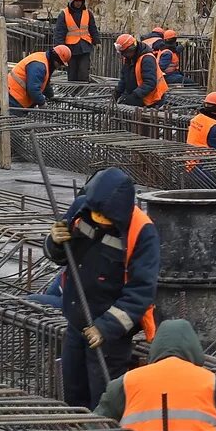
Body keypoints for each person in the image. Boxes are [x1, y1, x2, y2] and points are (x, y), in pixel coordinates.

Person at [45, 167, 160, 409]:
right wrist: (54, 241)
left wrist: (105, 328)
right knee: (74, 395)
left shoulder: (142, 232)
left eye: (104, 216)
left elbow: (141, 292)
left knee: (104, 401)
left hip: (111, 338)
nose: (97, 219)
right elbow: (62, 256)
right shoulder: (82, 208)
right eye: (95, 212)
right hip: (77, 321)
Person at [53, 0, 99, 82]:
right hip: (70, 49)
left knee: (83, 73)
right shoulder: (64, 14)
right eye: (76, 1)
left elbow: (93, 28)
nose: (78, 3)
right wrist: (60, 49)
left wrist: (97, 41)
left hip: (84, 47)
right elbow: (59, 33)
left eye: (80, 1)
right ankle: (73, 94)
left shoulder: (88, 13)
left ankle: (82, 94)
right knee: (72, 74)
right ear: (71, 0)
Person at [8, 44, 72, 110]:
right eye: (60, 64)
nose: (60, 66)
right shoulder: (39, 66)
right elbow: (33, 88)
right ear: (56, 59)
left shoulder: (45, 60)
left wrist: (51, 96)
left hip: (16, 95)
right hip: (14, 96)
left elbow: (45, 83)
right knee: (14, 119)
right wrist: (42, 103)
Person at [114, 33, 168, 108]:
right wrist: (117, 93)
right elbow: (124, 79)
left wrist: (134, 96)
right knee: (123, 103)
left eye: (124, 53)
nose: (123, 56)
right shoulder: (130, 59)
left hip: (153, 98)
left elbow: (149, 83)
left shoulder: (147, 59)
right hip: (141, 94)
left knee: (125, 105)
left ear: (130, 49)